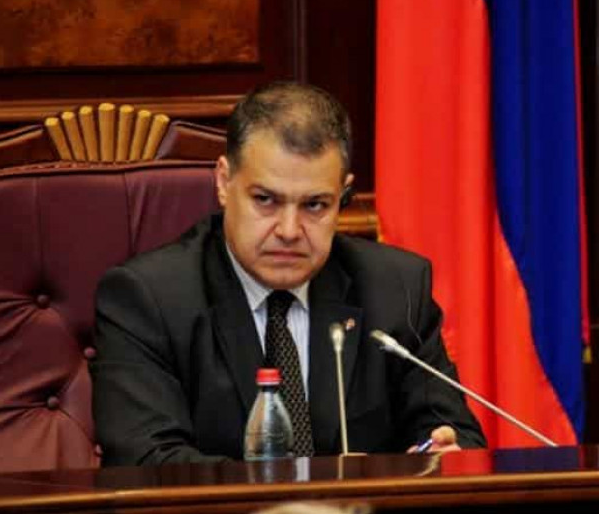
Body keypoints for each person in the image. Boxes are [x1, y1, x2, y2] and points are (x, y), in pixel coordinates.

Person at [91, 82, 486, 466]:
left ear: (343, 194)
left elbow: (457, 438)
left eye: (315, 205)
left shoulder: (395, 287)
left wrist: (442, 457)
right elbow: (147, 463)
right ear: (224, 182)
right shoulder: (148, 298)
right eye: (266, 200)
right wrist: (319, 488)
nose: (289, 230)